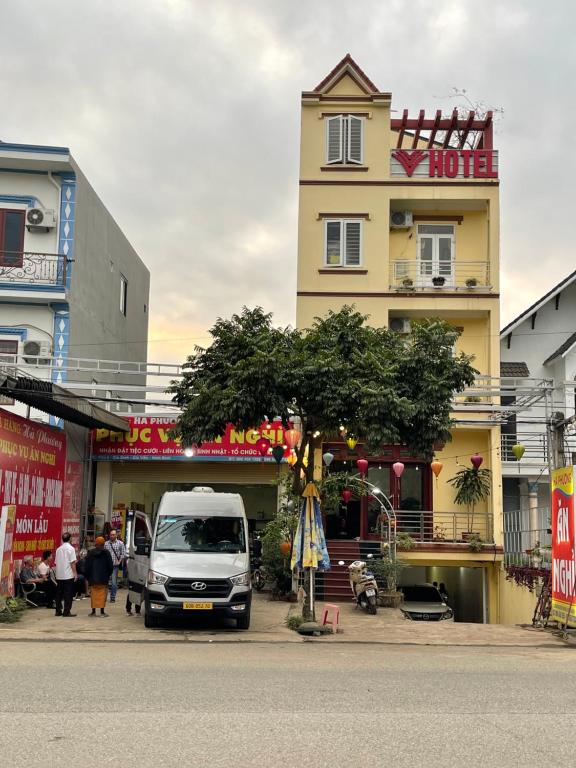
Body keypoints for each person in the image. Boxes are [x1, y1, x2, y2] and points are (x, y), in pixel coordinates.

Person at [84, 536, 114, 617]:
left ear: (96, 543)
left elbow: (87, 566)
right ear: (103, 544)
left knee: (93, 594)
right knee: (102, 595)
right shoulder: (106, 553)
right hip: (103, 578)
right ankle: (102, 612)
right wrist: (108, 574)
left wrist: (88, 576)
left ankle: (93, 612)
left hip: (93, 578)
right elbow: (110, 566)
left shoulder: (90, 553)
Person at [54, 533, 78, 617]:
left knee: (59, 594)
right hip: (68, 574)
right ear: (70, 539)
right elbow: (72, 563)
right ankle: (66, 611)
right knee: (68, 594)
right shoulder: (71, 549)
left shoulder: (58, 549)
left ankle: (58, 611)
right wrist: (75, 573)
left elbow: (56, 563)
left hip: (59, 575)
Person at [104, 529, 126, 603]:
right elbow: (103, 554)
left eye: (113, 535)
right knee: (105, 582)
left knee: (113, 582)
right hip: (106, 566)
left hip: (114, 566)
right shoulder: (106, 543)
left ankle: (112, 597)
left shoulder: (120, 543)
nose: (112, 536)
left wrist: (119, 561)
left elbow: (123, 554)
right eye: (111, 535)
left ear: (116, 535)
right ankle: (104, 597)